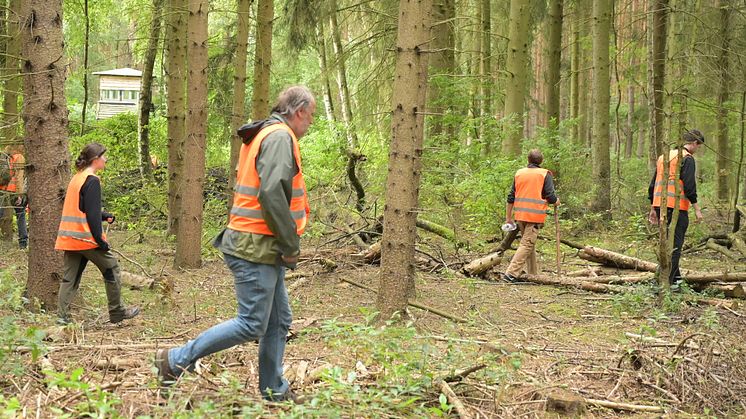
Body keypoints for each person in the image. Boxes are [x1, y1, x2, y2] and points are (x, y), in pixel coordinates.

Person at [155, 86, 315, 402]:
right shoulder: (280, 137)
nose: (310, 124)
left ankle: (274, 390)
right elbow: (271, 193)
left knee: (279, 320)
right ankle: (174, 361)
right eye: (310, 117)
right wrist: (290, 243)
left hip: (260, 245)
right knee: (252, 323)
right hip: (256, 246)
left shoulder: (265, 133)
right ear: (298, 113)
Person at [55, 143, 140, 325]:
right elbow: (92, 216)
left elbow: (83, 209)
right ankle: (116, 311)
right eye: (103, 156)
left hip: (70, 239)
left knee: (69, 279)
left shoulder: (77, 178)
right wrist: (101, 242)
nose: (105, 159)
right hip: (86, 239)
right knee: (112, 269)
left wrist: (105, 216)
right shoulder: (92, 180)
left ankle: (62, 319)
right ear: (95, 159)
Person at [647, 130, 705, 285]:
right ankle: (666, 283)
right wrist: (697, 209)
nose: (697, 149)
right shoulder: (687, 158)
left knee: (666, 243)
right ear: (694, 143)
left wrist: (653, 207)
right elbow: (689, 186)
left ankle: (676, 279)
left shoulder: (664, 157)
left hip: (661, 205)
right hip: (676, 208)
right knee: (675, 245)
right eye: (698, 146)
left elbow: (653, 184)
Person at [503, 149, 559, 282]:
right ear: (541, 161)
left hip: (520, 215)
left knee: (528, 244)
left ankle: (533, 273)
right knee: (527, 244)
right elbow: (550, 196)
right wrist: (556, 201)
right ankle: (511, 273)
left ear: (528, 160)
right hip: (534, 216)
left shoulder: (519, 173)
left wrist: (508, 218)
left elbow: (511, 197)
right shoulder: (544, 174)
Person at [0, 145, 28, 249]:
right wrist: (19, 195)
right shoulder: (19, 157)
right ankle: (23, 243)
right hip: (13, 192)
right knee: (21, 216)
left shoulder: (5, 156)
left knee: (1, 215)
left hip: (2, 190)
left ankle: (5, 242)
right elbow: (19, 178)